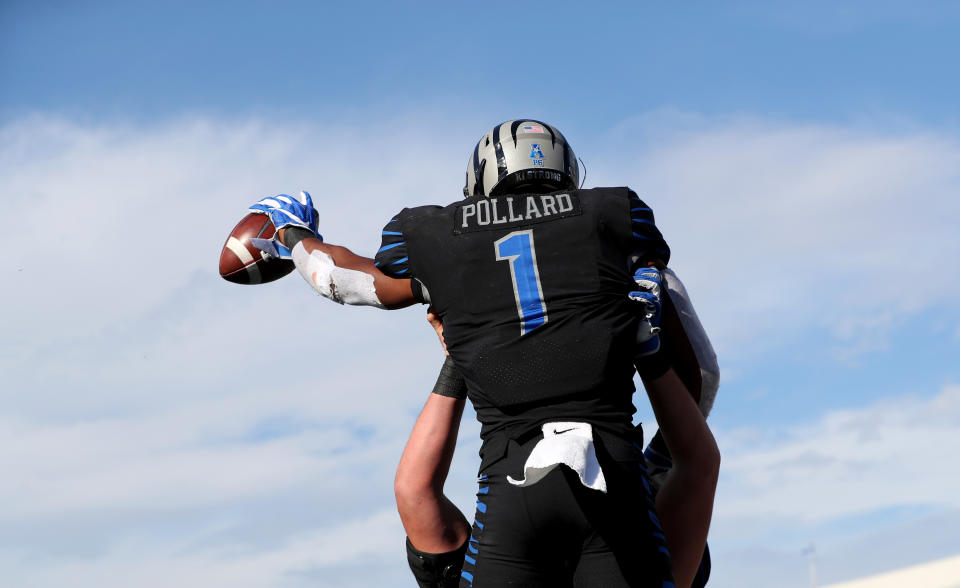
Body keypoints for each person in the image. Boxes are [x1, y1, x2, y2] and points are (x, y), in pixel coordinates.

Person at [250, 120, 720, 587]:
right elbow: (700, 383)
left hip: (511, 498)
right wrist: (648, 351)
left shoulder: (436, 234)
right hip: (615, 489)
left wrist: (291, 234)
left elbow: (340, 280)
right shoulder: (616, 215)